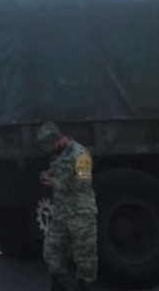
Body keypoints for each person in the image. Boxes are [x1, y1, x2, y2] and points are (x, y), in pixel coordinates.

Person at [37, 122, 97, 291]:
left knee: (84, 254)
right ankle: (58, 284)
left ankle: (85, 286)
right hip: (62, 212)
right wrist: (47, 174)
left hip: (81, 212)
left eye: (51, 145)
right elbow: (57, 170)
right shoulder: (58, 155)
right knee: (52, 249)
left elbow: (84, 182)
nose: (50, 149)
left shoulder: (80, 154)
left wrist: (55, 183)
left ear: (59, 139)